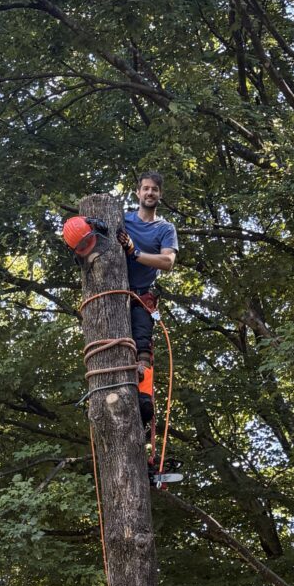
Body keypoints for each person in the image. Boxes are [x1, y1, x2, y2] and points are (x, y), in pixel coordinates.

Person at [115, 171, 178, 429]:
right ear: (138, 192)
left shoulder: (164, 228)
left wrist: (135, 252)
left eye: (154, 189)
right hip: (115, 292)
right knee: (113, 345)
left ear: (160, 194)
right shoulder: (122, 219)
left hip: (141, 295)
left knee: (142, 346)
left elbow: (168, 262)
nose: (150, 193)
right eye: (146, 188)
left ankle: (143, 400)